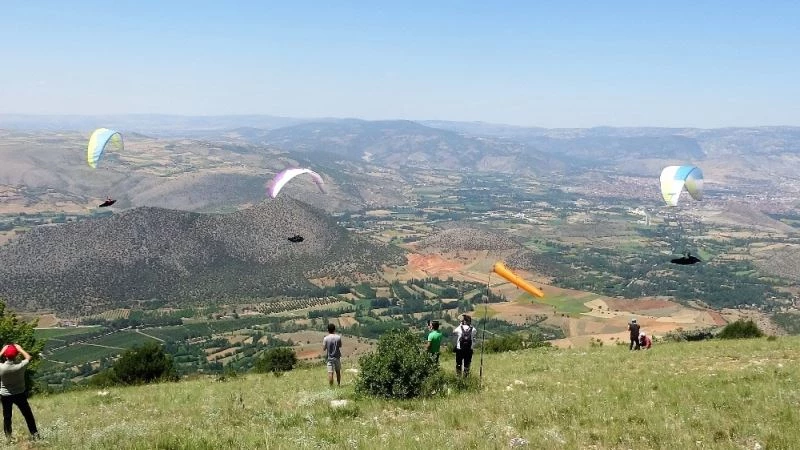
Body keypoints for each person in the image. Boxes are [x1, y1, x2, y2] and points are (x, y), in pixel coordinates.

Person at [0, 344, 38, 441]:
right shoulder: (21, 366)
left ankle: (8, 437)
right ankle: (35, 435)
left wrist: (3, 350)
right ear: (16, 355)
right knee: (28, 415)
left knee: (7, 417)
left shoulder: (2, 368)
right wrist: (20, 349)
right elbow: (28, 357)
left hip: (5, 395)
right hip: (20, 394)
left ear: (5, 356)